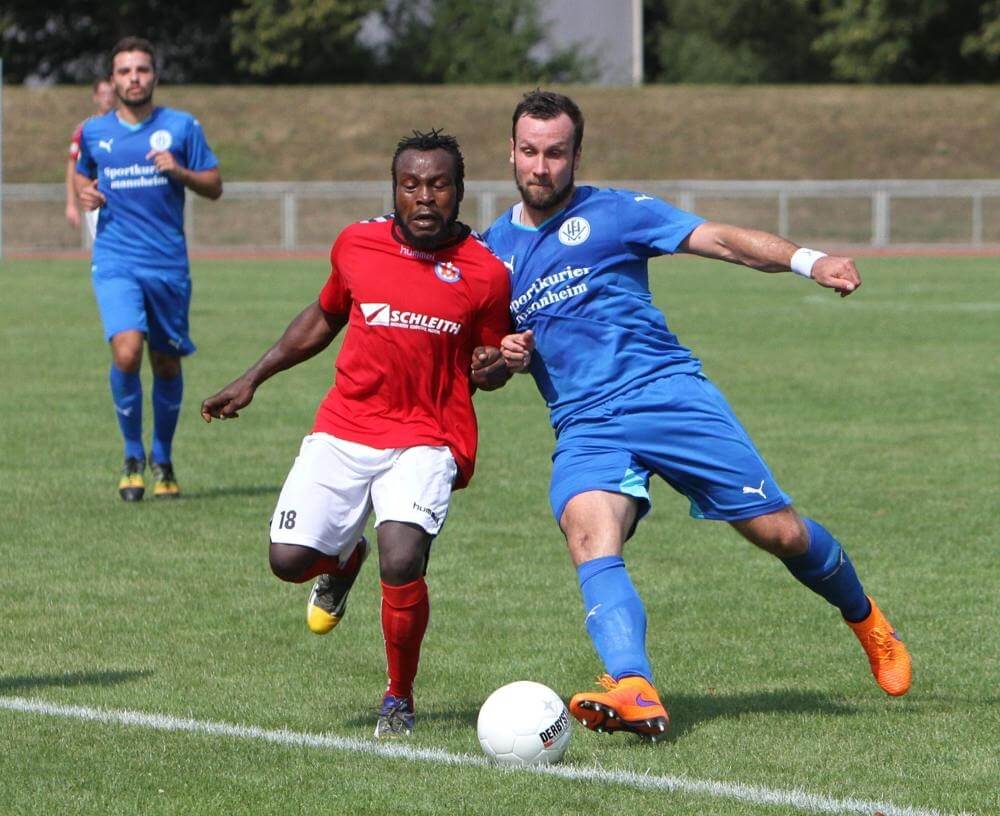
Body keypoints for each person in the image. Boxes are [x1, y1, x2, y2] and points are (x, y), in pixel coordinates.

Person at [485, 90, 912, 741]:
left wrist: (810, 260)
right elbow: (479, 369)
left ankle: (868, 620)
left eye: (555, 152)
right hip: (586, 425)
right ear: (511, 152)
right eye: (529, 151)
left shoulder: (616, 212)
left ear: (575, 154)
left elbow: (723, 241)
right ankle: (633, 684)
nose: (540, 166)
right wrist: (503, 359)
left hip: (669, 397)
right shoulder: (492, 256)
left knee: (780, 534)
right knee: (588, 535)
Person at [200, 130, 513, 739]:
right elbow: (324, 315)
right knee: (287, 561)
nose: (425, 197)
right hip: (346, 426)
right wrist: (253, 377)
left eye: (439, 184)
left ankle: (399, 696)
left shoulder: (486, 273)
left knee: (403, 558)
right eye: (411, 184)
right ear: (394, 189)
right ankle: (342, 560)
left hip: (428, 433)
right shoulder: (357, 243)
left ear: (460, 191)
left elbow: (492, 361)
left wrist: (494, 366)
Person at [75, 37, 223, 501]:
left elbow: (214, 185)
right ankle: (132, 454)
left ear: (154, 76)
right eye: (124, 71)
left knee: (165, 361)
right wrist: (85, 193)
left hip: (168, 265)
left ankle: (163, 457)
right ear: (112, 80)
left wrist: (179, 171)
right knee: (126, 351)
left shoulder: (181, 127)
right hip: (116, 258)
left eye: (141, 70)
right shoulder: (95, 131)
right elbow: (83, 173)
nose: (133, 78)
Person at [66, 78, 116, 234]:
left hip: (123, 194)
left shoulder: (127, 125)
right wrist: (71, 203)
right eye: (103, 93)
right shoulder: (86, 129)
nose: (107, 97)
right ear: (95, 97)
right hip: (97, 196)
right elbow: (74, 166)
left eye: (111, 93)